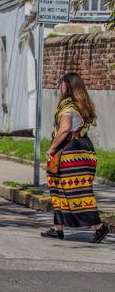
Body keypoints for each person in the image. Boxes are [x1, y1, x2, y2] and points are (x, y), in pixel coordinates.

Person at [40, 72, 109, 243]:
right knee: (61, 190)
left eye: (62, 83)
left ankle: (100, 227)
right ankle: (58, 228)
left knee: (76, 192)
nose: (60, 86)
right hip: (82, 151)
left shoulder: (68, 106)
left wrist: (52, 148)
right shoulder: (82, 104)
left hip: (71, 154)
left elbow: (64, 129)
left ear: (68, 85)